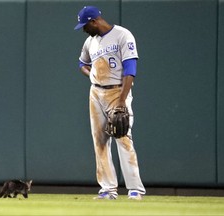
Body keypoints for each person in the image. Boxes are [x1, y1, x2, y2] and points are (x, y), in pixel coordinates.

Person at [74, 6, 146, 200]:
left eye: (84, 25)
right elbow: (82, 63)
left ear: (94, 21)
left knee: (123, 137)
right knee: (100, 141)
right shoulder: (90, 42)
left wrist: (122, 101)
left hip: (117, 91)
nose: (83, 29)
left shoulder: (123, 35)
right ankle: (107, 189)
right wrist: (92, 76)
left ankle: (135, 189)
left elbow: (130, 70)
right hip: (96, 92)